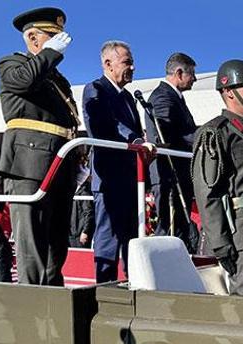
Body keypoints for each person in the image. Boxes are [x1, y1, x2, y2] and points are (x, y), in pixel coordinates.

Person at [0, 7, 78, 285]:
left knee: (57, 243)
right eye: (52, 36)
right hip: (28, 164)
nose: (60, 43)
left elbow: (68, 121)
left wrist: (77, 159)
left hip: (60, 163)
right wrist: (49, 53)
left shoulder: (56, 79)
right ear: (33, 37)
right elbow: (23, 82)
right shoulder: (12, 64)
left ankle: (52, 300)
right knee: (32, 244)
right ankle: (31, 303)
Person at [192, 59, 243, 296]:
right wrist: (220, 244)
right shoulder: (216, 133)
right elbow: (208, 194)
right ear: (228, 91)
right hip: (242, 237)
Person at [83, 41, 155, 283]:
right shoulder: (96, 89)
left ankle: (133, 285)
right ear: (108, 64)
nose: (133, 67)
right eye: (127, 62)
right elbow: (107, 123)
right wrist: (135, 139)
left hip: (130, 179)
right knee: (108, 237)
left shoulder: (128, 97)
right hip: (109, 179)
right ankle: (105, 290)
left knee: (132, 238)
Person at [145, 53, 199, 253]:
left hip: (178, 174)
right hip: (169, 174)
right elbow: (166, 134)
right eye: (191, 73)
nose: (194, 78)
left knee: (179, 231)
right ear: (179, 73)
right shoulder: (162, 97)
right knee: (168, 230)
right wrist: (202, 138)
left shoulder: (174, 97)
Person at [69, 159, 94, 248]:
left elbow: (89, 213)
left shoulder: (84, 192)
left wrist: (85, 231)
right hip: (72, 232)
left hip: (78, 233)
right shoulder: (75, 191)